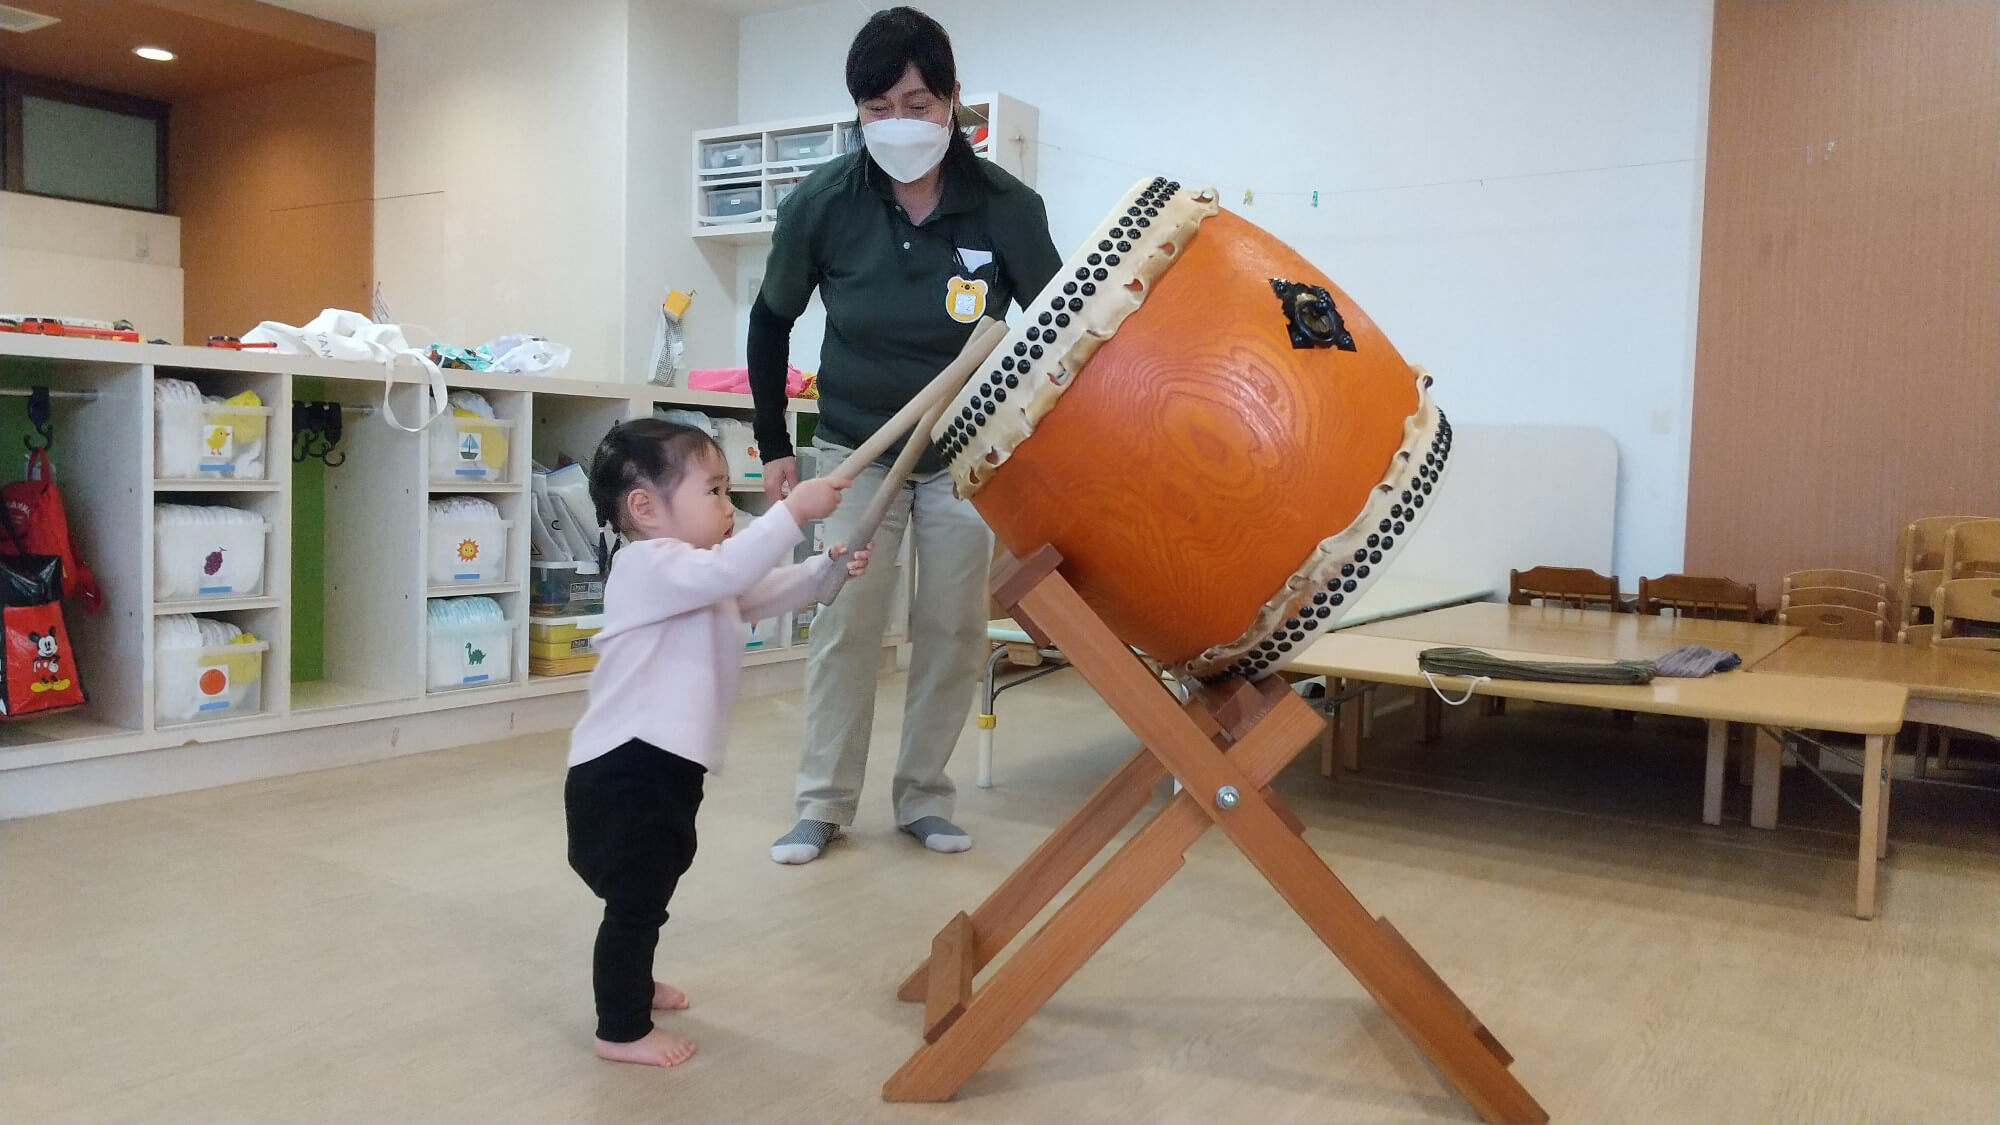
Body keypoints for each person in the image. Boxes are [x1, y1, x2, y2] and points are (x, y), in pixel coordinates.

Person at [750, 6, 1062, 865]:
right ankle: (822, 804)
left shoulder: (1006, 206)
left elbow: (1059, 336)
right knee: (844, 624)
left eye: (918, 103)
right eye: (877, 107)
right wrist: (775, 440)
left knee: (952, 628)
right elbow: (771, 319)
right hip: (854, 449)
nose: (899, 123)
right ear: (858, 112)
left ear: (954, 101)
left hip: (966, 455)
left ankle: (924, 795)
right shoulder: (822, 204)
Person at [564, 419, 869, 1067]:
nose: (732, 508)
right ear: (645, 507)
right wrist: (790, 513)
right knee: (635, 903)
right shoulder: (647, 565)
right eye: (716, 491)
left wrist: (823, 570)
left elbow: (754, 592)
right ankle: (619, 1028)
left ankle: (633, 984)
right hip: (625, 769)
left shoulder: (698, 575)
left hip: (662, 766)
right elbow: (735, 569)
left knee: (651, 890)